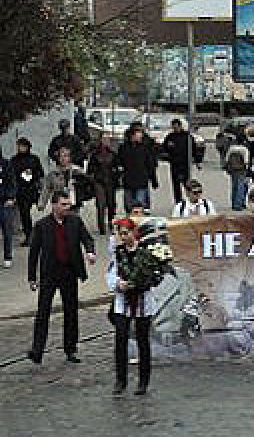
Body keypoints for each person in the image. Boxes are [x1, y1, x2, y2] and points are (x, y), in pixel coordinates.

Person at [27, 191, 97, 364]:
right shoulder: (42, 225)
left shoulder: (75, 221)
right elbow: (34, 252)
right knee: (43, 311)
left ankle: (70, 348)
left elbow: (87, 239)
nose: (68, 208)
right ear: (54, 205)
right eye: (64, 204)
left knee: (71, 311)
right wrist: (32, 277)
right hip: (50, 273)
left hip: (69, 271)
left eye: (69, 204)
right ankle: (37, 350)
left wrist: (90, 252)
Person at [106, 218, 163, 395]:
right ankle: (120, 380)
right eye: (121, 234)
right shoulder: (118, 252)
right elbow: (110, 273)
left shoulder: (145, 252)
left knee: (142, 340)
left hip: (142, 301)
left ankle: (143, 380)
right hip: (123, 301)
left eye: (127, 233)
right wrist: (117, 283)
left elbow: (154, 275)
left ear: (134, 232)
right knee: (121, 338)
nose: (124, 237)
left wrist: (146, 280)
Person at [116, 126, 158, 212]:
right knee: (128, 205)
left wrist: (153, 179)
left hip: (141, 181)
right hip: (128, 181)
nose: (141, 136)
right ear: (132, 135)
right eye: (138, 134)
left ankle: (139, 221)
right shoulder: (124, 148)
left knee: (139, 204)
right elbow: (119, 163)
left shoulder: (144, 148)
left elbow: (150, 165)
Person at [11, 138, 43, 247]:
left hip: (31, 190)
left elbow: (40, 173)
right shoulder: (14, 160)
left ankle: (31, 234)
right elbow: (11, 175)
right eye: (19, 146)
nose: (21, 148)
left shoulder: (33, 159)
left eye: (23, 146)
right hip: (19, 191)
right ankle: (29, 234)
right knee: (24, 214)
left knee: (26, 212)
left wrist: (34, 179)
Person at [86, 134, 119, 234]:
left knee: (111, 204)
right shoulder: (95, 155)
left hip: (110, 181)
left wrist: (117, 176)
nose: (105, 141)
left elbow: (118, 167)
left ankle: (111, 223)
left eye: (107, 139)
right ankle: (101, 227)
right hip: (99, 182)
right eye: (103, 139)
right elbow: (89, 170)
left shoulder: (113, 154)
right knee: (101, 204)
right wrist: (93, 178)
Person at [39, 147, 90, 212]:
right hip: (58, 205)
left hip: (73, 204)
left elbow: (86, 186)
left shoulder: (78, 171)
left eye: (65, 156)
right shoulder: (53, 173)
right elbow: (46, 188)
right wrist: (42, 204)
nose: (63, 159)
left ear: (69, 158)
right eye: (61, 156)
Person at [163, 118, 194, 204]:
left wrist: (197, 160)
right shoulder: (170, 137)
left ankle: (190, 199)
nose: (175, 129)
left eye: (177, 127)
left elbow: (193, 148)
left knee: (187, 183)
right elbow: (164, 149)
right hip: (174, 164)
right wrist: (167, 156)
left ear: (180, 126)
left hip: (185, 164)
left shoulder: (187, 136)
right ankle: (178, 202)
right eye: (174, 127)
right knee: (176, 184)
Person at [222, 136, 250, 211]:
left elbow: (227, 159)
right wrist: (248, 171)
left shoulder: (231, 148)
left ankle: (234, 203)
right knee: (241, 186)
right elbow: (246, 161)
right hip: (241, 170)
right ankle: (239, 204)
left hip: (233, 170)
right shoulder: (244, 149)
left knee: (234, 186)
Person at [0, 148, 15, 268]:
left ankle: (8, 256)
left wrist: (10, 197)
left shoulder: (6, 164)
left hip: (4, 202)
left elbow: (11, 182)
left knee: (7, 230)